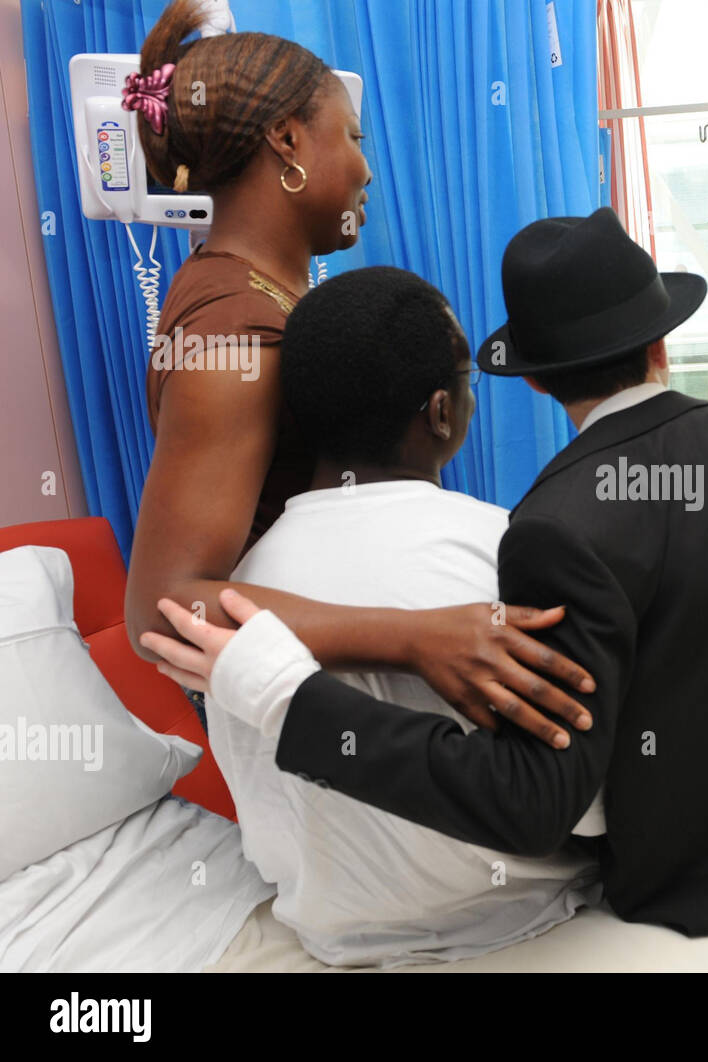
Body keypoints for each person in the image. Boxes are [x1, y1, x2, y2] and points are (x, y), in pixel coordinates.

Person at [146, 207, 708, 939]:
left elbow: (541, 795)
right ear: (661, 339)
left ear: (535, 382)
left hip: (681, 906)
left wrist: (288, 695)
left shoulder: (549, 524)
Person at [124, 0, 593, 747]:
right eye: (352, 136)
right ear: (287, 142)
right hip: (315, 726)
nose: (368, 167)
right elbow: (162, 610)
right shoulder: (231, 338)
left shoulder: (274, 294)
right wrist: (415, 638)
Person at [200, 266, 600, 965]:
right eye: (468, 382)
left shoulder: (238, 595)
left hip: (333, 939)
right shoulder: (509, 547)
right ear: (441, 412)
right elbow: (586, 799)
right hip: (538, 922)